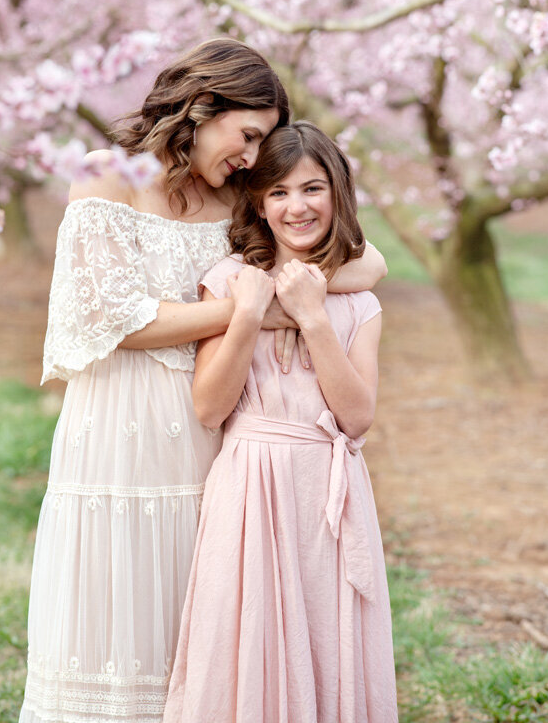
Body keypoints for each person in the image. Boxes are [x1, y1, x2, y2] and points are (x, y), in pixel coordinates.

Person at [19, 41, 388, 723]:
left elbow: (367, 264)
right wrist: (249, 308)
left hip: (209, 428)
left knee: (209, 602)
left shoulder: (232, 192)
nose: (252, 157)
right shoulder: (106, 176)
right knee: (118, 594)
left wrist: (286, 298)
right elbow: (110, 317)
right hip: (122, 423)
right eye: (248, 135)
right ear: (202, 105)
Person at [164, 121, 398, 723]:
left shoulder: (359, 303)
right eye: (279, 193)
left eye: (313, 189)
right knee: (245, 642)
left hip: (325, 491)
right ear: (260, 204)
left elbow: (357, 417)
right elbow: (210, 409)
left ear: (337, 194)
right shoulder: (227, 282)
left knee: (326, 641)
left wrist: (314, 320)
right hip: (249, 490)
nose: (298, 207)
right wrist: (244, 317)